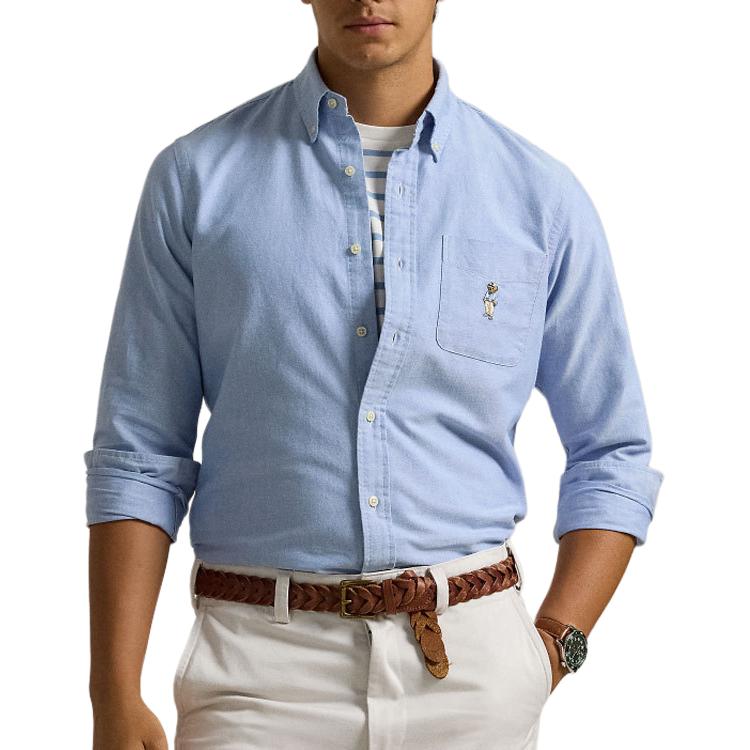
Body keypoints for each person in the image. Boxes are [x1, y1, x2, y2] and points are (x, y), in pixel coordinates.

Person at [84, 1, 664, 748]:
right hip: (257, 672)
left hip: (475, 669)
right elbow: (140, 454)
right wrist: (112, 691)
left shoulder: (540, 197)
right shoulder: (196, 179)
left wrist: (555, 643)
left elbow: (612, 451)